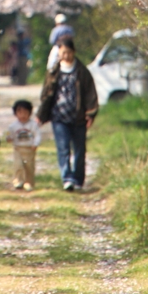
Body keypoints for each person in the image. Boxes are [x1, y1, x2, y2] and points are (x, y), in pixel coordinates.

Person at [36, 37, 98, 191]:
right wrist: (41, 114)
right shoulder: (53, 72)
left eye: (69, 52)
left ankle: (78, 179)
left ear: (74, 52)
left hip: (78, 117)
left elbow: (90, 93)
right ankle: (67, 177)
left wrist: (91, 114)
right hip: (59, 117)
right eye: (63, 52)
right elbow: (46, 95)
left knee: (79, 150)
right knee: (63, 149)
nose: (66, 56)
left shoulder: (82, 71)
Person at [6, 99, 41, 191]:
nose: (23, 115)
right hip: (18, 148)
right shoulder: (13, 126)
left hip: (29, 149)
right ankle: (18, 181)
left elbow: (37, 135)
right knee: (18, 165)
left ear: (30, 113)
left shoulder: (33, 125)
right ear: (15, 114)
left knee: (29, 167)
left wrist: (35, 144)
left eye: (25, 113)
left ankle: (29, 182)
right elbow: (11, 135)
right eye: (20, 112)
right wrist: (9, 138)